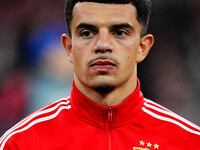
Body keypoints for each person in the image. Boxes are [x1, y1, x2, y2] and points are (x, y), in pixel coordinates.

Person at [0, 0, 199, 149]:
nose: (103, 46)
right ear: (68, 47)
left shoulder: (188, 141)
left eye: (120, 32)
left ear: (142, 47)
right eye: (87, 33)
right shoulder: (20, 143)